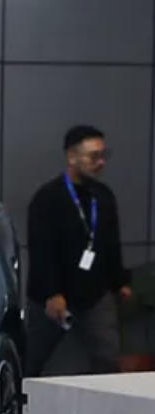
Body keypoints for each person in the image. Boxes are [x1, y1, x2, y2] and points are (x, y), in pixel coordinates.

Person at [26, 125, 132, 376]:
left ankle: (105, 401)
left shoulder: (103, 196)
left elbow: (111, 244)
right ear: (72, 157)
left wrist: (120, 282)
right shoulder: (47, 198)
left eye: (104, 155)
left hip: (95, 292)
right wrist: (52, 292)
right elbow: (41, 250)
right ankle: (20, 398)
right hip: (53, 294)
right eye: (94, 156)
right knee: (32, 358)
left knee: (107, 356)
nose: (101, 162)